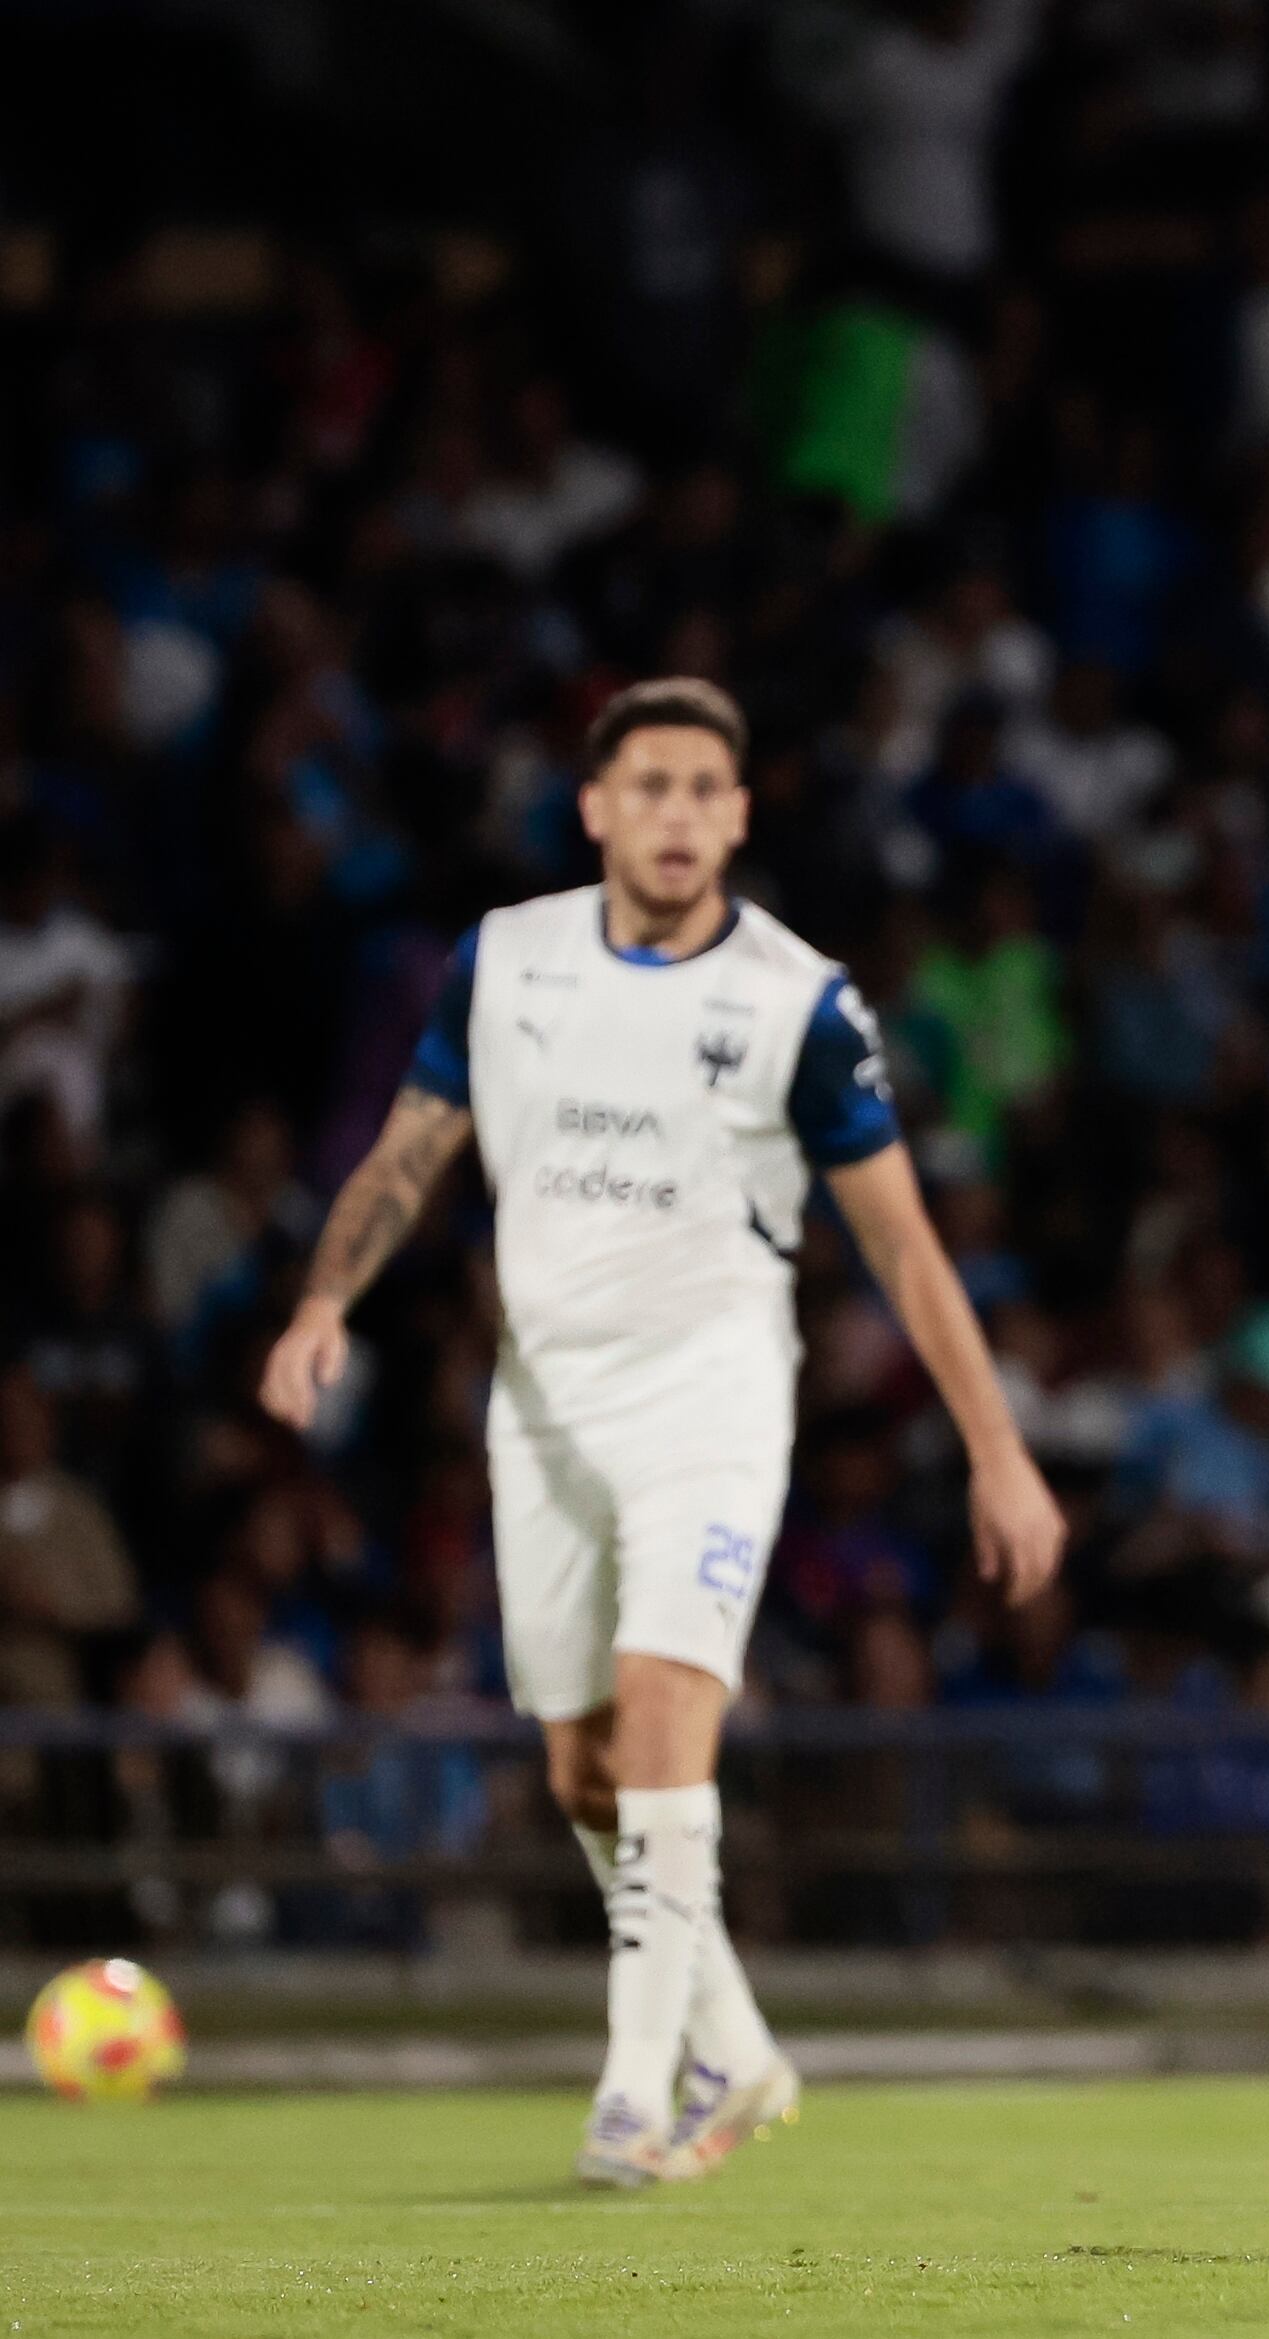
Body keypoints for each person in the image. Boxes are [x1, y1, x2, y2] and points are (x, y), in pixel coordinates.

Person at [258, 676, 1064, 2186]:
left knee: (663, 1721)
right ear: (597, 810)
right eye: (652, 786)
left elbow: (900, 1247)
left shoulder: (799, 1003)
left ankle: (637, 2094)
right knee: (580, 1772)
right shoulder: (506, 964)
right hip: (545, 1406)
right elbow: (406, 1152)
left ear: (741, 815)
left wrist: (998, 1449)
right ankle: (742, 2052)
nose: (680, 813)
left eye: (707, 788)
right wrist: (322, 1308)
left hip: (713, 1396)